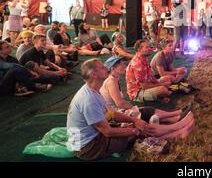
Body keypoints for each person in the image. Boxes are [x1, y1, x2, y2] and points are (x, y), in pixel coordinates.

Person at [66, 58, 194, 161]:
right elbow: (108, 132)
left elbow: (111, 113)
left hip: (93, 136)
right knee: (139, 133)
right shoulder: (88, 99)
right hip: (87, 147)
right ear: (93, 74)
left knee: (138, 126)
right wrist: (135, 130)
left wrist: (134, 120)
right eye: (102, 67)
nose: (106, 68)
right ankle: (177, 131)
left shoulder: (93, 90)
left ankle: (178, 126)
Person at [101, 56, 194, 126]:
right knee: (146, 111)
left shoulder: (114, 79)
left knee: (148, 111)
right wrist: (134, 107)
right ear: (113, 68)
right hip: (113, 115)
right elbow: (120, 103)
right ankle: (177, 115)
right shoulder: (111, 81)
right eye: (120, 64)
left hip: (114, 112)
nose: (124, 65)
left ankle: (176, 117)